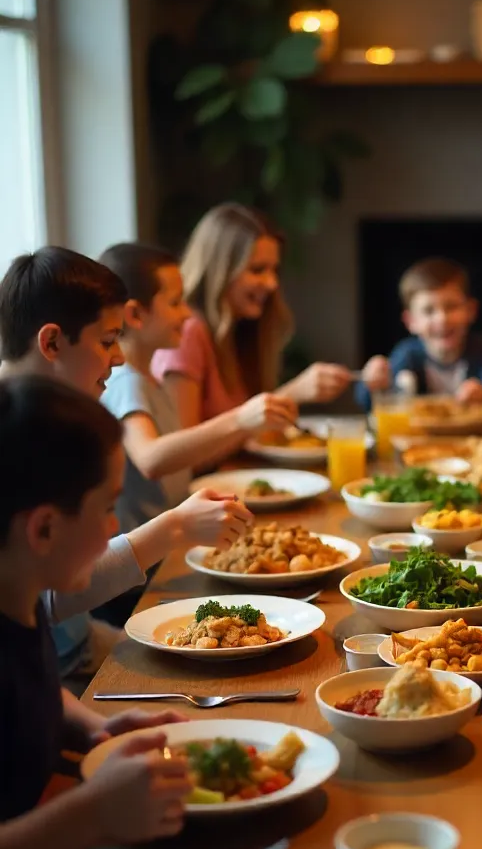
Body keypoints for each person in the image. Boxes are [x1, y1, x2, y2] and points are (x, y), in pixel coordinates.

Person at [0, 247, 252, 669]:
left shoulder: (50, 420)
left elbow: (63, 625)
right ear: (52, 342)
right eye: (106, 341)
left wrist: (137, 642)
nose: (119, 357)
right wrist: (173, 528)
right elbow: (41, 601)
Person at [0, 375, 193, 849]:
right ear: (43, 529)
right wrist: (93, 814)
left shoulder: (18, 591)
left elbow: (29, 695)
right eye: (108, 507)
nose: (115, 527)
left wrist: (93, 729)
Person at [99, 242, 296, 536]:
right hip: (143, 570)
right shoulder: (125, 380)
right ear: (136, 315)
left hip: (168, 550)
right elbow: (151, 459)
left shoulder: (149, 377)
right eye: (176, 302)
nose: (188, 315)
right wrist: (240, 419)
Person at [151, 203, 379, 427]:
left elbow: (248, 438)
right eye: (257, 270)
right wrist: (290, 394)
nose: (272, 284)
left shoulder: (242, 331)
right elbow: (185, 458)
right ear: (220, 270)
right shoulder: (187, 332)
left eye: (274, 270)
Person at [356, 257, 482, 416]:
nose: (442, 319)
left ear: (471, 310)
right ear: (411, 321)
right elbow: (370, 403)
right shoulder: (407, 354)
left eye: (451, 306)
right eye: (428, 311)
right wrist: (372, 383)